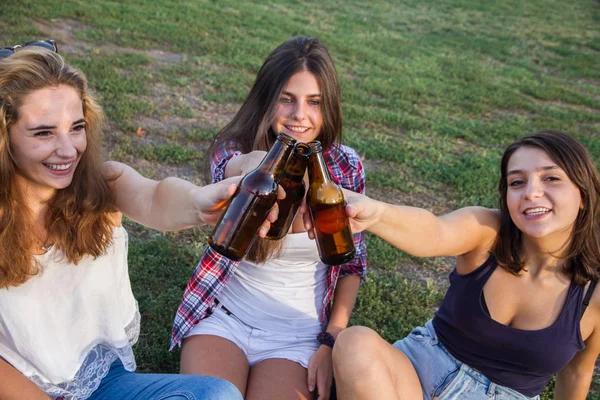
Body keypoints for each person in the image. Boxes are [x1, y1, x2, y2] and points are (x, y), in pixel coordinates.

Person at [0, 43, 254, 399]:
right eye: (43, 133)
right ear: (4, 136)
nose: (69, 149)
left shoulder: (100, 189)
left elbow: (155, 197)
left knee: (217, 394)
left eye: (76, 127)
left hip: (106, 382)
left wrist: (199, 202)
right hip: (22, 390)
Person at [326, 130, 600, 400]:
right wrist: (378, 213)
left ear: (584, 195)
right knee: (354, 342)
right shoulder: (487, 231)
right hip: (417, 371)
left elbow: (577, 372)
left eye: (551, 178)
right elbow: (433, 232)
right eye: (517, 182)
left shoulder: (594, 294)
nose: (531, 192)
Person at [171, 36, 367, 400]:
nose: (299, 116)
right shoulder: (234, 150)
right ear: (267, 100)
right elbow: (230, 169)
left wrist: (330, 340)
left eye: (314, 102)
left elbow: (352, 264)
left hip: (296, 336)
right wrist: (255, 167)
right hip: (225, 317)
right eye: (287, 99)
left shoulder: (344, 167)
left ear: (329, 108)